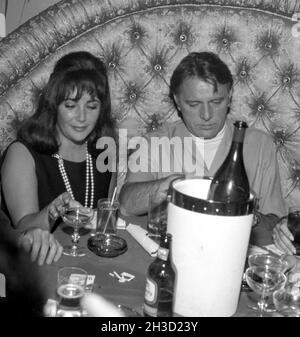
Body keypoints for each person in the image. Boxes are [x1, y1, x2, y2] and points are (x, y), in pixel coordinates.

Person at [119, 51, 287, 246]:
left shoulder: (260, 145)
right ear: (177, 102)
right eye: (194, 104)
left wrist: (247, 215)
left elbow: (275, 229)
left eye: (216, 102)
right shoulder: (153, 143)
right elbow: (126, 206)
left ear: (230, 96)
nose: (206, 115)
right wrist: (161, 188)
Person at [1, 51, 116, 265]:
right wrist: (52, 212)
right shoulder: (23, 153)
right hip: (41, 268)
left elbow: (104, 223)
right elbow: (23, 230)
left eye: (92, 106)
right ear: (54, 105)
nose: (82, 117)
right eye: (70, 105)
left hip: (92, 266)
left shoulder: (105, 153)